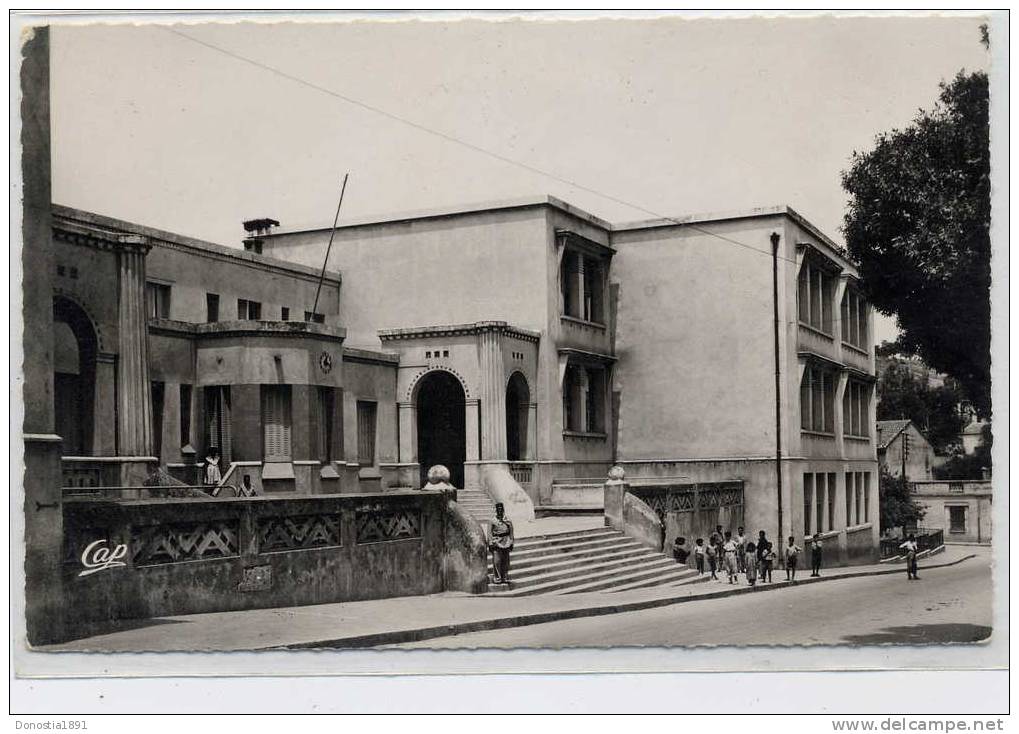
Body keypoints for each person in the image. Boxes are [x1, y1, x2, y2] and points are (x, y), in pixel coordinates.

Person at [489, 503, 515, 585]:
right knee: (497, 561)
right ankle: (497, 578)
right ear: (496, 510)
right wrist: (490, 543)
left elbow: (511, 531)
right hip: (496, 541)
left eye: (501, 508)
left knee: (506, 561)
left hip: (506, 541)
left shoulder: (507, 520)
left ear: (503, 509)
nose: (500, 510)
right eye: (498, 508)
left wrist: (511, 542)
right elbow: (489, 533)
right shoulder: (492, 520)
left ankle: (505, 577)